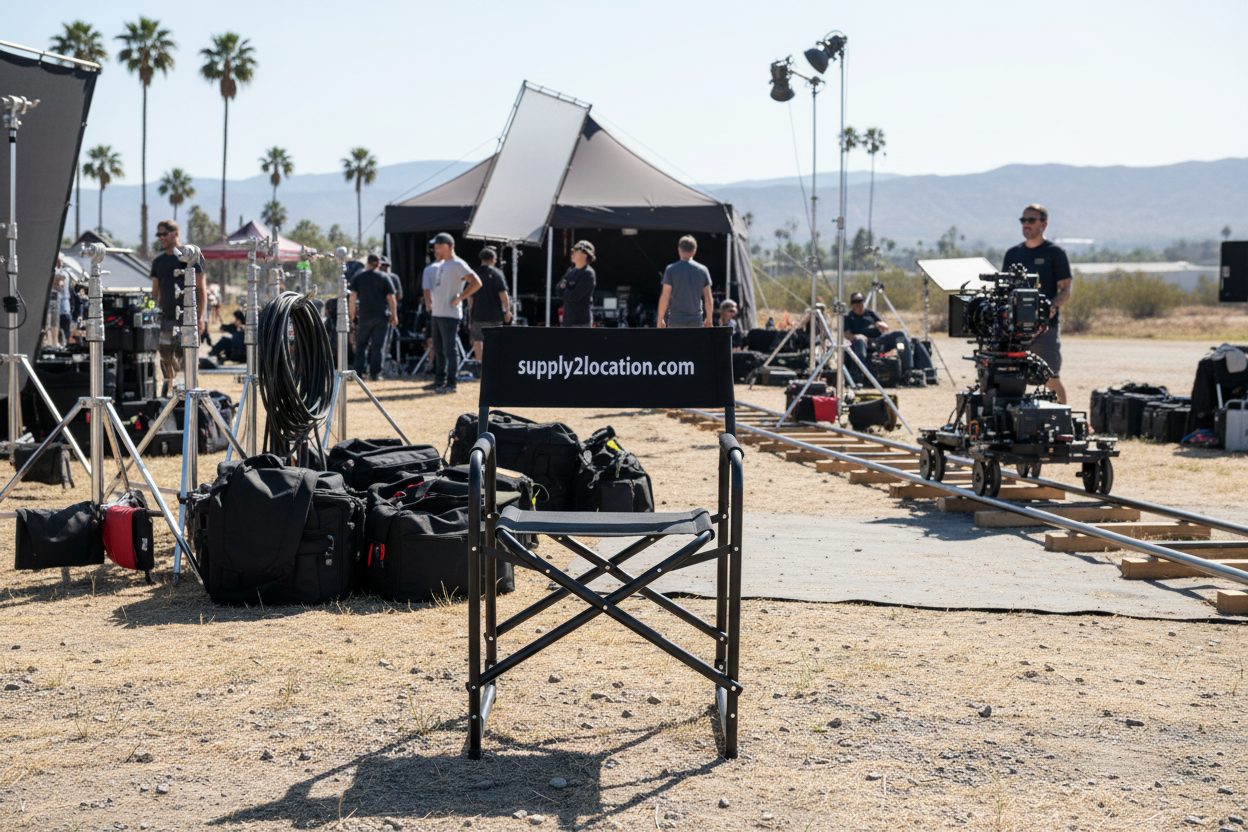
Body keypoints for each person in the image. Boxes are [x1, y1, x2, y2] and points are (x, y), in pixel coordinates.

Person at [1003, 203, 1072, 404]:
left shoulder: (1055, 253)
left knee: (1049, 376)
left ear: (1044, 224)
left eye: (1031, 220)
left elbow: (1065, 289)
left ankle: (1063, 420)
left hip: (1044, 328)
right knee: (1011, 376)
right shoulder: (1012, 254)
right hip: (1014, 328)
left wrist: (1050, 307)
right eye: (1023, 220)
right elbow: (1006, 288)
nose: (1026, 224)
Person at [150, 219, 206, 397]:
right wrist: (155, 311)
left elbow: (201, 288)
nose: (161, 238)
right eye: (158, 234)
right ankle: (167, 390)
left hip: (188, 319)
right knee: (166, 356)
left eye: (164, 234)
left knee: (188, 357)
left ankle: (192, 390)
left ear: (176, 234)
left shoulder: (190, 256)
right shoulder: (158, 261)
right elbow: (155, 292)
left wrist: (200, 317)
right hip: (166, 318)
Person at [427, 233, 481, 393]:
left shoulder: (458, 264)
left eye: (437, 246)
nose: (435, 250)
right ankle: (440, 381)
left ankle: (451, 383)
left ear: (447, 246)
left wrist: (461, 298)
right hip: (438, 313)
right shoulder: (443, 264)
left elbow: (476, 282)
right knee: (438, 348)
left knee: (449, 349)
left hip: (449, 314)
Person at [348, 253, 399, 381]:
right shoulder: (384, 277)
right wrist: (394, 315)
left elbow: (352, 296)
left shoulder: (359, 277)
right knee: (378, 346)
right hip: (381, 317)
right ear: (379, 264)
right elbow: (391, 298)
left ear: (368, 263)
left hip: (365, 316)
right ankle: (375, 374)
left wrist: (352, 316)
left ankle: (358, 372)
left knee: (361, 345)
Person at [843, 291, 912, 379]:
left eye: (860, 301)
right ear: (851, 305)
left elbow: (885, 326)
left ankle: (907, 371)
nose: (858, 304)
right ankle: (859, 377)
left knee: (900, 334)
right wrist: (855, 336)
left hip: (878, 339)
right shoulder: (849, 317)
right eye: (855, 302)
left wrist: (879, 324)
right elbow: (846, 334)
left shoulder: (869, 313)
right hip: (863, 343)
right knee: (859, 341)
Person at [657, 235, 713, 328]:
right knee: (694, 342)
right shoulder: (703, 270)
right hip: (696, 318)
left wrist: (660, 318)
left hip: (676, 318)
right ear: (694, 252)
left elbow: (665, 296)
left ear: (679, 250)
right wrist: (709, 318)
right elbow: (708, 297)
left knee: (676, 342)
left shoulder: (671, 270)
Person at [468, 246, 512, 362]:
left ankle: (480, 365)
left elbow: (470, 297)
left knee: (478, 340)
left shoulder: (474, 274)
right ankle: (493, 364)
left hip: (477, 313)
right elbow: (503, 293)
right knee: (494, 340)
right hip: (494, 314)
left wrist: (470, 311)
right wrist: (507, 310)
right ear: (494, 259)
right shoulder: (497, 274)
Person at [558, 240, 596, 327]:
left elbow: (575, 296)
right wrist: (564, 290)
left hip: (581, 322)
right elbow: (557, 288)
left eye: (576, 251)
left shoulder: (588, 273)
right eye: (572, 251)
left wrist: (564, 289)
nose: (573, 253)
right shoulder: (570, 271)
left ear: (585, 254)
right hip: (568, 321)